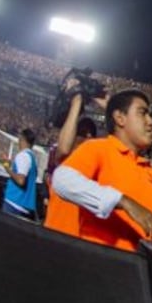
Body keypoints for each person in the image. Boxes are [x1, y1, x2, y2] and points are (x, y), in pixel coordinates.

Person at [51, 89, 152, 251]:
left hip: (137, 269)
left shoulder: (150, 172)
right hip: (98, 264)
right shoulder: (99, 148)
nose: (150, 122)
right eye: (143, 113)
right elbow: (62, 179)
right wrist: (123, 202)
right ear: (120, 118)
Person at [44, 78, 104, 235]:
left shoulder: (97, 164)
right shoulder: (64, 158)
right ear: (73, 136)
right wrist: (76, 101)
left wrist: (107, 106)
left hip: (82, 240)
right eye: (82, 133)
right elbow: (63, 149)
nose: (88, 136)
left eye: (91, 134)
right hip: (55, 234)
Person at [1, 128, 38, 220]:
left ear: (22, 138)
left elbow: (21, 181)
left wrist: (7, 168)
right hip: (23, 205)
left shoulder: (23, 156)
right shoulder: (32, 158)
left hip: (14, 203)